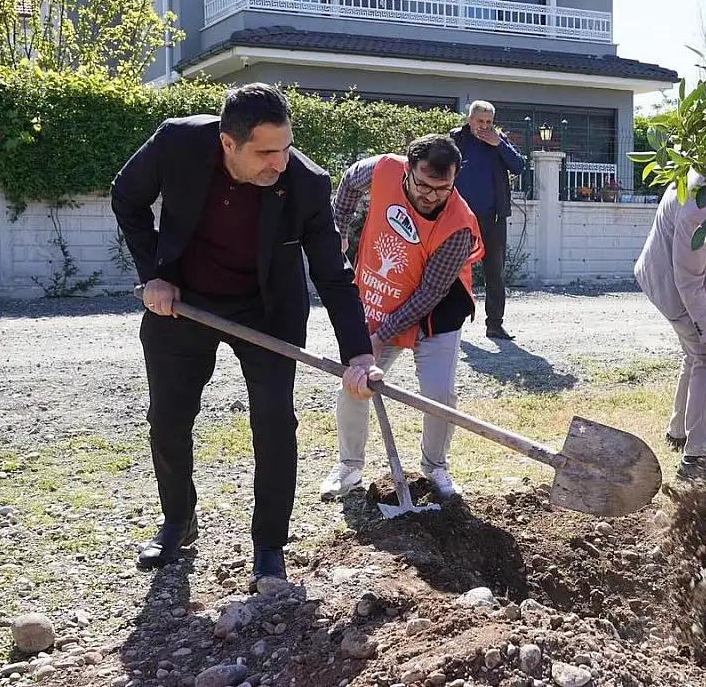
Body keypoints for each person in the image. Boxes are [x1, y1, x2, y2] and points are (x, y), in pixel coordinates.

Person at [111, 83, 381, 588]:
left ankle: (270, 545)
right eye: (265, 152)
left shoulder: (304, 182)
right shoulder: (177, 143)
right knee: (168, 417)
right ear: (227, 143)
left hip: (268, 309)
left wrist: (359, 354)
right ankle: (178, 519)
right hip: (182, 301)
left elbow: (332, 274)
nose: (279, 162)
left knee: (275, 422)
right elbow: (126, 196)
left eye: (285, 148)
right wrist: (154, 273)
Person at [320, 134, 484, 501]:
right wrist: (339, 231)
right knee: (355, 382)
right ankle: (349, 466)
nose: (430, 196)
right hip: (382, 297)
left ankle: (435, 467)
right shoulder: (382, 169)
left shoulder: (459, 226)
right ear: (407, 170)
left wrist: (379, 338)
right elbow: (347, 182)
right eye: (422, 184)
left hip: (435, 315)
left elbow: (429, 294)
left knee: (439, 394)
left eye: (441, 189)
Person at [635, 171, 706, 478]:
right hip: (672, 284)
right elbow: (688, 283)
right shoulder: (698, 209)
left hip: (675, 276)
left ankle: (678, 431)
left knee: (693, 353)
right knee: (704, 359)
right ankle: (695, 459)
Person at [450, 100, 526, 340]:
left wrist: (499, 144)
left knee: (495, 271)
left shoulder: (498, 140)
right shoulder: (456, 140)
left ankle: (494, 324)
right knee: (454, 270)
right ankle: (451, 323)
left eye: (489, 122)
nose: (484, 126)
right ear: (469, 120)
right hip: (460, 217)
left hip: (493, 216)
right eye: (480, 121)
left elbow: (519, 167)